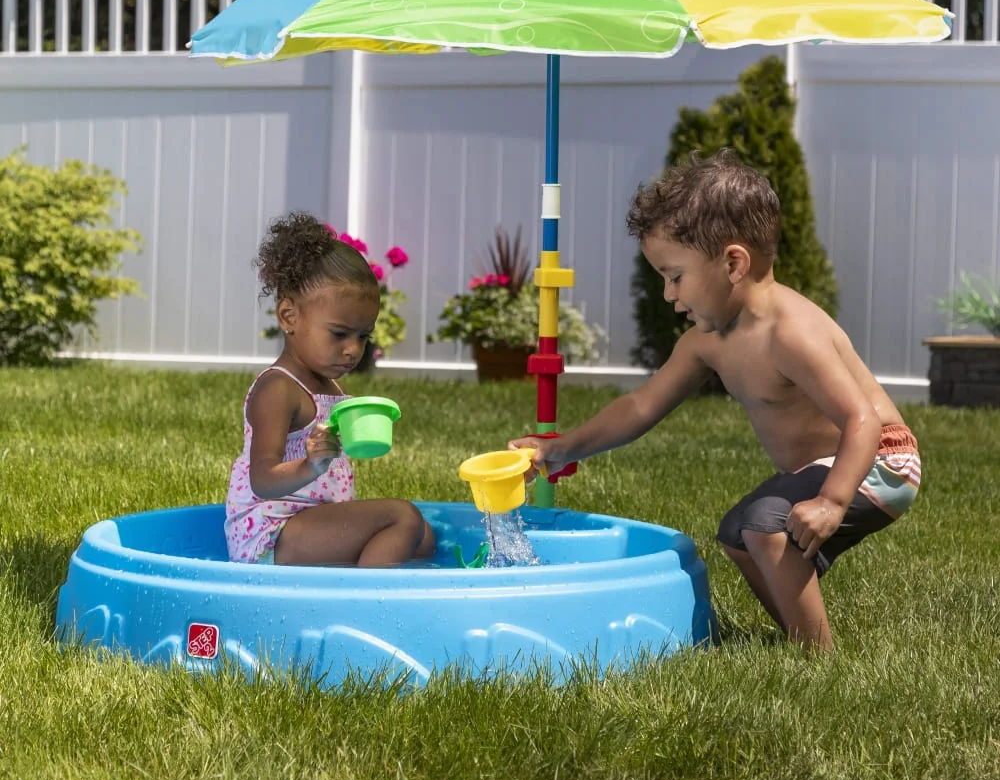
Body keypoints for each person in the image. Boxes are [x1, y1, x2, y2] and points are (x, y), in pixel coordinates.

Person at [509, 150, 920, 651]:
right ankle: (799, 634)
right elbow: (641, 407)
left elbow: (861, 420)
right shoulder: (708, 340)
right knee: (737, 534)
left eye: (675, 276)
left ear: (732, 262)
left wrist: (832, 502)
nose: (666, 293)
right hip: (829, 461)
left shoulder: (790, 333)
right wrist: (560, 449)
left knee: (765, 525)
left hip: (880, 460)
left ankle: (820, 656)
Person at [225, 212, 435, 568]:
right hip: (272, 535)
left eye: (363, 336)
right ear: (289, 317)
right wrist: (310, 465)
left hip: (312, 522)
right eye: (339, 334)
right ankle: (364, 602)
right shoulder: (278, 388)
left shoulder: (328, 383)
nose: (353, 349)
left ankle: (360, 574)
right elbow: (261, 480)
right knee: (403, 518)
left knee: (425, 538)